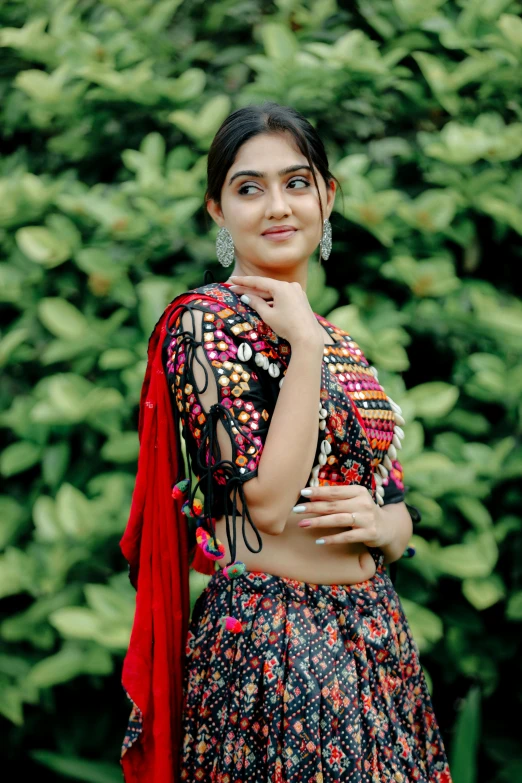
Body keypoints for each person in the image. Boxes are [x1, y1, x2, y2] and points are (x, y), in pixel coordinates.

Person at [120, 102, 453, 782]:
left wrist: (384, 523)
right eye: (250, 187)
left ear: (327, 196)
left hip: (375, 639)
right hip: (273, 644)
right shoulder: (203, 328)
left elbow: (395, 505)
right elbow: (266, 506)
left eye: (297, 183)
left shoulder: (342, 342)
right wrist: (302, 344)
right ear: (217, 209)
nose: (278, 205)